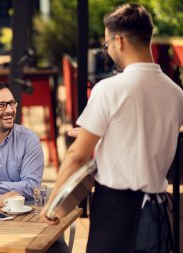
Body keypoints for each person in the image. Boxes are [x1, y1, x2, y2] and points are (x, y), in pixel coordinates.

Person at [40, 3, 183, 253]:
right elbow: (145, 134)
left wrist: (52, 203)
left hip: (117, 211)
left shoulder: (110, 89)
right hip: (158, 212)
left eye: (106, 45)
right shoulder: (176, 93)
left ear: (119, 40)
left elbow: (77, 155)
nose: (108, 51)